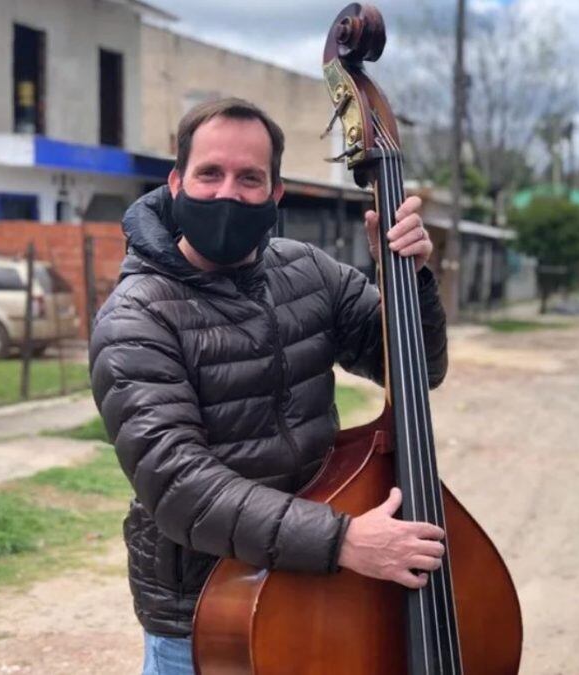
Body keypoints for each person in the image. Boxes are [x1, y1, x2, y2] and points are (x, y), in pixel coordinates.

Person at [89, 97, 448, 675]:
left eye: (250, 178)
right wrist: (346, 541)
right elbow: (181, 487)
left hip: (320, 588)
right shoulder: (136, 317)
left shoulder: (309, 271)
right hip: (208, 609)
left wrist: (409, 276)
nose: (227, 192)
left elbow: (416, 369)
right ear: (177, 181)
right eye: (210, 173)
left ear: (274, 193)